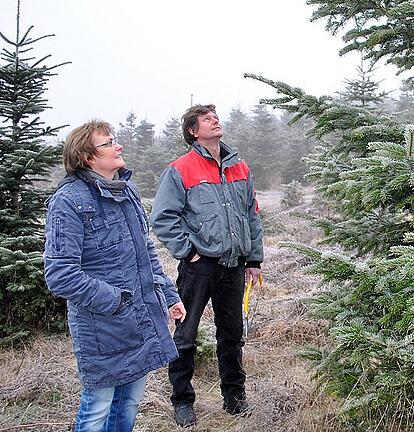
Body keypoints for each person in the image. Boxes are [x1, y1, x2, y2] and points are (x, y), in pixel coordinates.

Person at [43, 120, 187, 431]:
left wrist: (169, 294)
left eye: (115, 140)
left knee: (129, 405)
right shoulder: (68, 201)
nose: (118, 146)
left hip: (140, 318)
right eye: (108, 143)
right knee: (97, 409)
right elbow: (60, 273)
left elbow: (144, 252)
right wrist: (116, 301)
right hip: (102, 327)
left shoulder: (127, 190)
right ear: (86, 157)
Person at [150, 104, 264, 427]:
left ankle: (234, 398)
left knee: (232, 335)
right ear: (193, 131)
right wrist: (189, 252)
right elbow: (162, 218)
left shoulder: (238, 166)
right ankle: (182, 402)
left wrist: (254, 259)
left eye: (216, 117)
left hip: (234, 267)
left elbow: (252, 214)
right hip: (198, 268)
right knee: (185, 334)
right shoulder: (181, 169)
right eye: (207, 119)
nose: (215, 121)